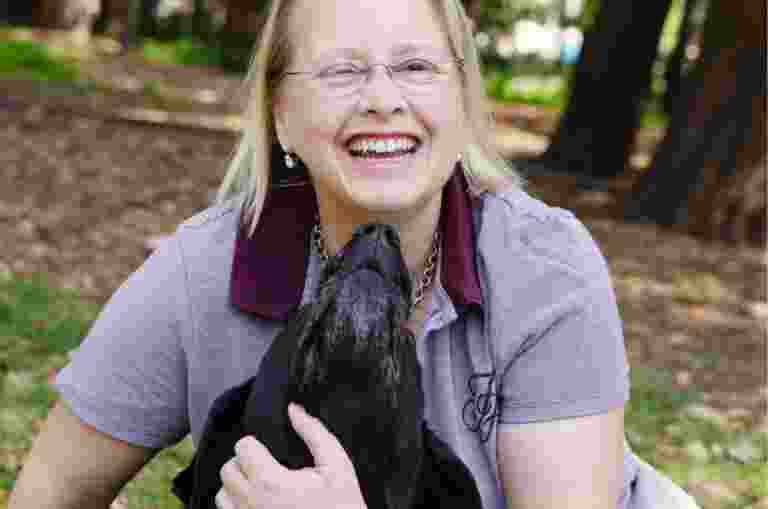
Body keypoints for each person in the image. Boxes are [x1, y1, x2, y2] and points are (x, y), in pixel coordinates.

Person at [9, 1, 701, 508]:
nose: (382, 99)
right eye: (342, 71)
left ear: (461, 96)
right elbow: (47, 494)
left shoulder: (545, 268)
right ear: (281, 112)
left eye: (415, 66)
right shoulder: (203, 272)